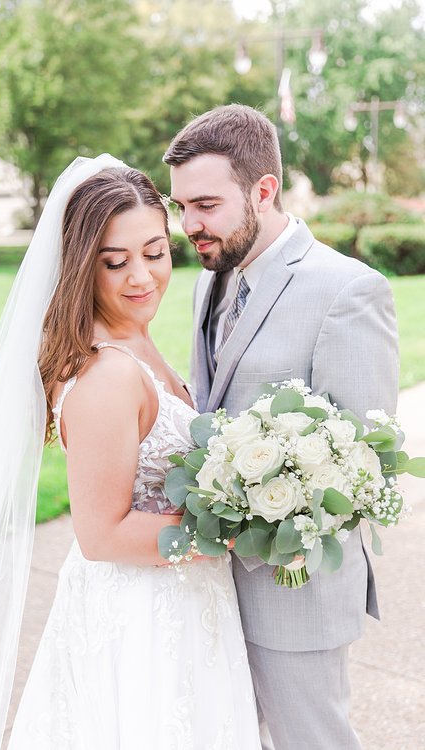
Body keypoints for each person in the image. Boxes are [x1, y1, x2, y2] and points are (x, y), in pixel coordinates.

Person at [0, 155, 260, 749]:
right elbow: (101, 535)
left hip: (183, 603)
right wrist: (235, 526)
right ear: (83, 267)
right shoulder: (107, 373)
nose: (142, 277)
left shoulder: (136, 340)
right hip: (144, 620)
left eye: (155, 253)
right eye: (116, 262)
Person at [166, 104, 399, 750]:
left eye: (206, 205)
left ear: (263, 191)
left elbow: (365, 463)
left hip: (295, 590)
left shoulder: (348, 291)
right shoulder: (207, 284)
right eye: (180, 207)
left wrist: (276, 512)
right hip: (213, 584)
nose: (190, 225)